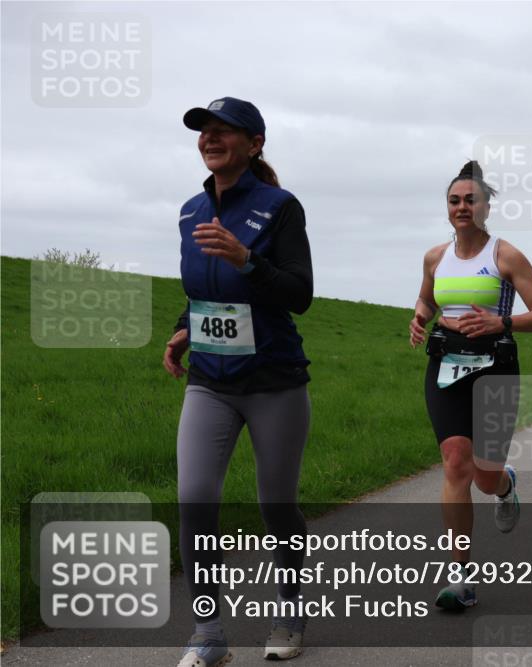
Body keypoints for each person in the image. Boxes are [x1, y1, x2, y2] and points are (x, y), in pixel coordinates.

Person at [163, 97, 314, 666]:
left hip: (274, 380)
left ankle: (292, 610)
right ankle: (208, 634)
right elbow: (201, 291)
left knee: (277, 505)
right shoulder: (187, 211)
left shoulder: (279, 207)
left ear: (254, 145)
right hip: (209, 380)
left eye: (226, 132)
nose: (211, 138)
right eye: (205, 130)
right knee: (195, 500)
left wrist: (248, 259)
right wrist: (184, 329)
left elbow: (299, 293)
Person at [409, 161, 532, 610]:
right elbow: (426, 298)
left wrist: (501, 321)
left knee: (484, 476)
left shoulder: (505, 256)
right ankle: (461, 578)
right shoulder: (435, 257)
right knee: (455, 461)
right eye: (454, 200)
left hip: (495, 367)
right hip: (446, 366)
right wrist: (419, 318)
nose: (462, 207)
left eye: (471, 199)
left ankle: (504, 486)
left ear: (487, 206)